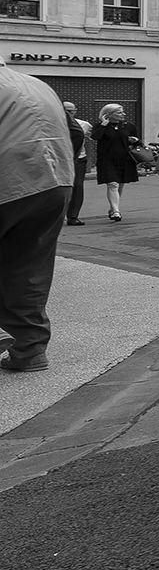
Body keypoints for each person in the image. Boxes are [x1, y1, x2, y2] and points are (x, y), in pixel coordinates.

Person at [0, 70, 75, 372]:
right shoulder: (35, 83)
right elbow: (77, 133)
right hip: (55, 181)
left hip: (8, 177)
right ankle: (29, 349)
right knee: (28, 265)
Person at [92, 103, 140, 223]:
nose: (123, 114)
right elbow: (95, 137)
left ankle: (113, 208)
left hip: (124, 159)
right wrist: (103, 124)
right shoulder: (101, 126)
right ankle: (116, 211)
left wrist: (134, 140)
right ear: (109, 114)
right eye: (119, 112)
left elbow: (137, 142)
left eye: (122, 112)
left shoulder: (128, 126)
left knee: (120, 184)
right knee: (113, 184)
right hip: (107, 159)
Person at [61, 100, 90, 226]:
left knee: (77, 187)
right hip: (60, 159)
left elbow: (89, 142)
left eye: (71, 111)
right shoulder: (54, 123)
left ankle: (73, 216)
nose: (68, 114)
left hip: (78, 159)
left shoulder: (84, 125)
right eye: (66, 111)